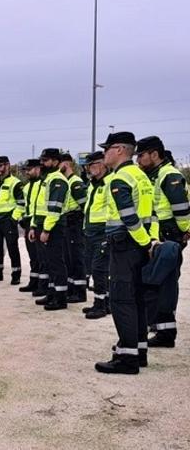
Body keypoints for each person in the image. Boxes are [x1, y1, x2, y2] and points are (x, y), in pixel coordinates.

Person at [95, 132, 155, 375]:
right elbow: (150, 215)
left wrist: (144, 242)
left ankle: (127, 358)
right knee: (137, 297)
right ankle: (138, 351)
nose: (104, 154)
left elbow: (129, 217)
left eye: (107, 149)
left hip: (125, 244)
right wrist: (149, 242)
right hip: (138, 245)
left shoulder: (120, 178)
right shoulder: (140, 175)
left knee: (121, 300)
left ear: (119, 150)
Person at [136, 136, 189, 348]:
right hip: (160, 234)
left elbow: (181, 209)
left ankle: (165, 333)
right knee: (161, 282)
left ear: (154, 154)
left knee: (165, 283)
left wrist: (184, 231)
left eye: (141, 155)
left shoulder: (169, 175)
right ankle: (162, 328)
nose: (138, 159)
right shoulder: (155, 175)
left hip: (169, 235)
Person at [29, 148, 70, 311]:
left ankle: (60, 298)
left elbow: (54, 209)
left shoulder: (57, 180)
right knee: (50, 262)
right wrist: (34, 226)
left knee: (56, 262)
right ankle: (52, 293)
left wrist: (46, 230)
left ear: (55, 161)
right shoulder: (47, 179)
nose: (42, 163)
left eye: (46, 160)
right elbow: (37, 207)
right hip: (43, 225)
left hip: (54, 227)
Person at [80, 151, 112, 320]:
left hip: (103, 232)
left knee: (100, 270)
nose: (89, 169)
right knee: (95, 268)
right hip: (91, 232)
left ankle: (100, 305)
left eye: (91, 165)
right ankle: (104, 303)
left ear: (101, 164)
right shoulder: (93, 183)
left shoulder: (109, 183)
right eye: (87, 166)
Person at [0, 156, 24, 284]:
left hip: (8, 219)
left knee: (12, 247)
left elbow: (21, 204)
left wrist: (13, 218)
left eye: (0, 166)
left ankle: (16, 275)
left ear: (7, 165)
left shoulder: (15, 183)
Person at [59, 153, 88, 303]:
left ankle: (80, 291)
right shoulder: (65, 181)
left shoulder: (75, 182)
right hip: (67, 221)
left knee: (76, 257)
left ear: (67, 164)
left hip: (75, 221)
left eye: (60, 163)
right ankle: (71, 289)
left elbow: (85, 205)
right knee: (68, 258)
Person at [18, 159, 45, 294]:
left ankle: (42, 285)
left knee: (41, 256)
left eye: (29, 169)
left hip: (39, 223)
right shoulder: (27, 187)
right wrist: (22, 218)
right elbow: (26, 206)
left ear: (38, 169)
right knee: (33, 256)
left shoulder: (44, 184)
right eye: (25, 170)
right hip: (29, 223)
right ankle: (33, 282)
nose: (26, 172)